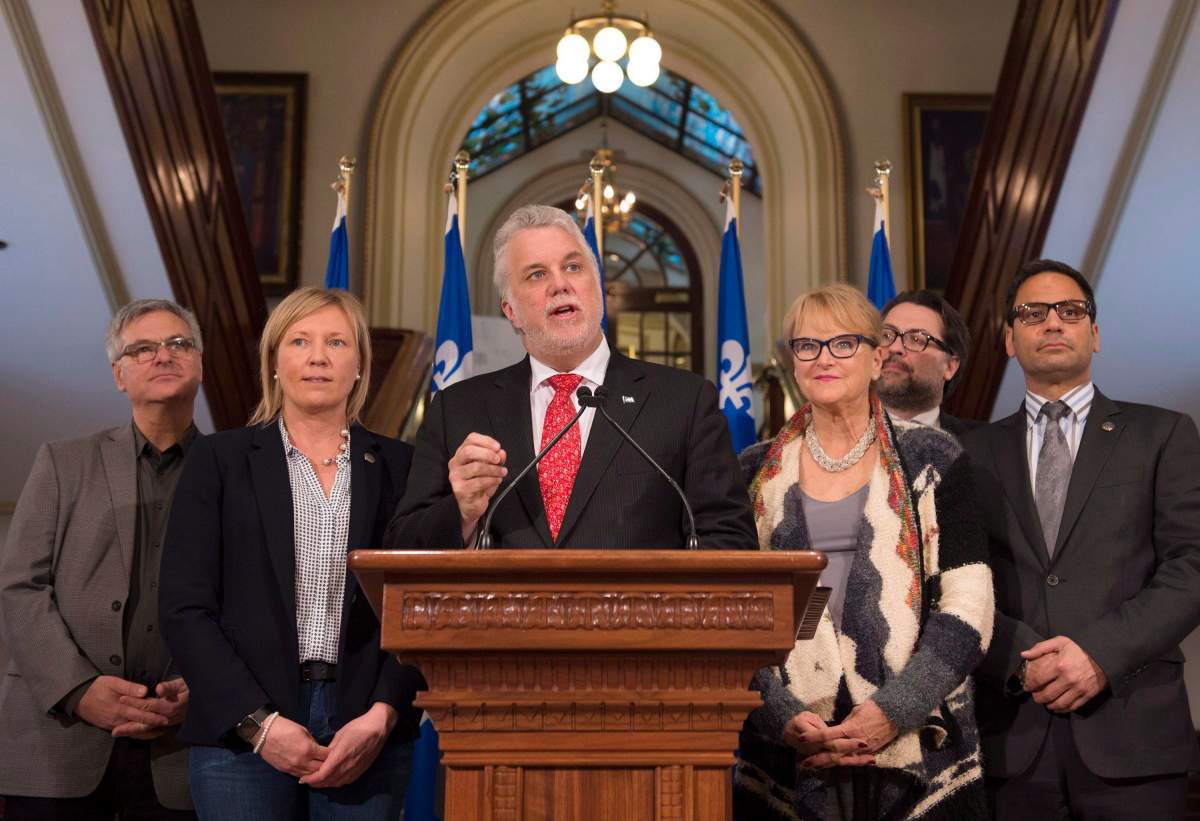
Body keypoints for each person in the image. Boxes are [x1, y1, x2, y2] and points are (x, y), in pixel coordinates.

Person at [159, 288, 425, 819]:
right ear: (275, 361)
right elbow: (184, 608)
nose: (318, 356)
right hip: (242, 728)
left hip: (363, 727)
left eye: (336, 342)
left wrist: (383, 714)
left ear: (359, 366)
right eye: (299, 341)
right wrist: (259, 725)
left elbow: (418, 605)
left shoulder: (402, 465)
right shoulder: (220, 459)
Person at [734, 284, 994, 820]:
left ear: (877, 357)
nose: (823, 358)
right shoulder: (750, 471)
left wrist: (892, 711)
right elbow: (735, 614)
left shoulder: (935, 458)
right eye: (807, 345)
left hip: (919, 744)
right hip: (786, 755)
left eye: (843, 343)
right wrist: (780, 716)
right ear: (792, 361)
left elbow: (968, 611)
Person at [963, 259, 1200, 820]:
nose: (1052, 323)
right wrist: (1021, 662)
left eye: (1070, 311)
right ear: (1008, 339)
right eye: (1033, 313)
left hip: (1133, 732)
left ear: (1093, 333)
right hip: (1010, 737)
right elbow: (955, 583)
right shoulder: (968, 455)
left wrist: (1098, 653)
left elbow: (1192, 564)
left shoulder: (1162, 434)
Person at [386, 204, 756, 550]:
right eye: (536, 274)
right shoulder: (458, 409)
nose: (560, 285)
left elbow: (730, 540)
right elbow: (402, 546)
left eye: (573, 267)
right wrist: (462, 511)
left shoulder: (684, 401)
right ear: (510, 310)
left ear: (597, 288)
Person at [0, 299, 203, 819]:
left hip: (183, 748)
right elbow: (19, 586)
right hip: (59, 740)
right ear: (119, 374)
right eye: (143, 349)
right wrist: (78, 689)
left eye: (178, 344)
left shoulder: (235, 470)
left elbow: (253, 600)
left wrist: (203, 689)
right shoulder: (63, 461)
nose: (163, 356)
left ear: (199, 361)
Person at [877, 289, 980, 437]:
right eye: (886, 335)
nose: (895, 347)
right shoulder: (834, 436)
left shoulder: (984, 446)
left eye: (916, 339)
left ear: (950, 367)